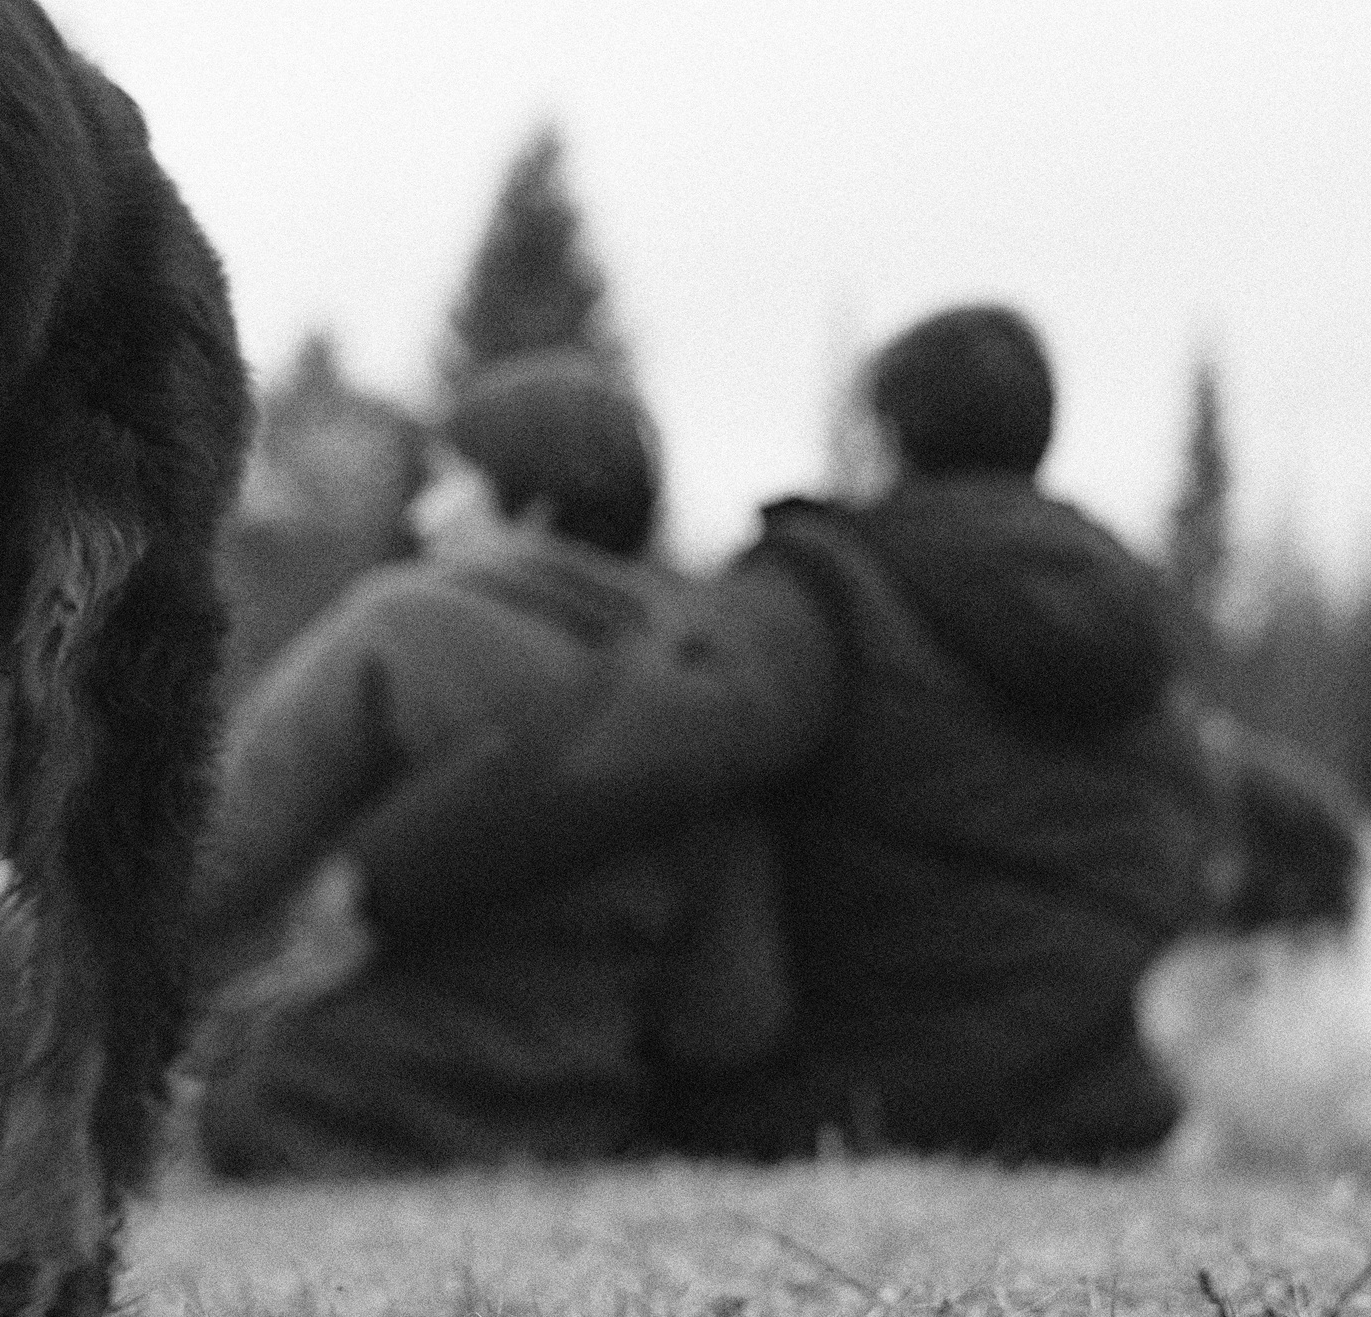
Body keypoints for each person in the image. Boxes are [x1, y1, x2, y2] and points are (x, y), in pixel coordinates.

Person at [300, 304, 1217, 1163]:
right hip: (1083, 1101)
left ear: (883, 436)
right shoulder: (1135, 644)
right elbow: (1192, 837)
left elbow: (617, 749)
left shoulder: (830, 592)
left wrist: (384, 875)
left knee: (295, 1085)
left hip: (848, 1096)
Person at [186, 351, 785, 1180]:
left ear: (532, 503)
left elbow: (223, 847)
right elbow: (732, 997)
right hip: (604, 1106)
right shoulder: (696, 678)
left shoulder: (403, 627)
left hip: (358, 1090)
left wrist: (26, 905)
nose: (425, 515)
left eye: (447, 480)